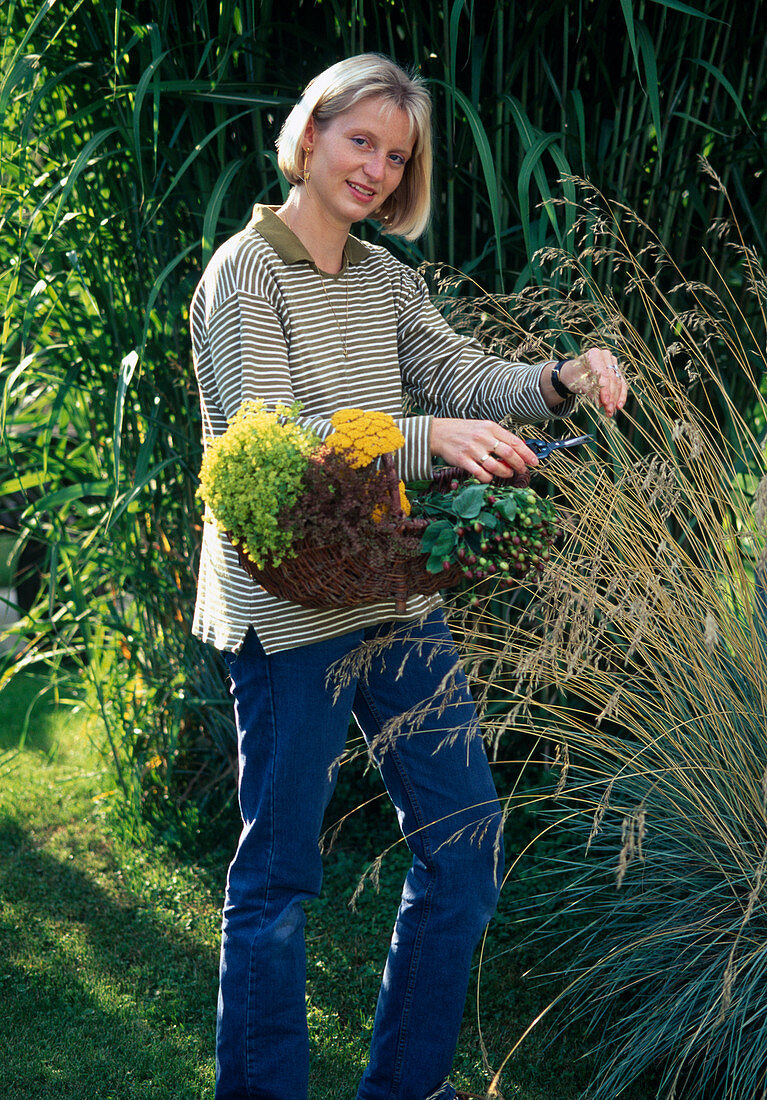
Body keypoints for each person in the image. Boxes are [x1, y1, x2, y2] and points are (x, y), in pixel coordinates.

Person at [190, 53, 627, 1100]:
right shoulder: (243, 274)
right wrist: (429, 440)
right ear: (309, 133)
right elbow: (275, 434)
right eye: (360, 140)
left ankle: (404, 1086)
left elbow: (458, 375)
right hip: (286, 611)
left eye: (396, 154)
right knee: (280, 880)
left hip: (393, 594)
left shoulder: (388, 279)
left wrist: (554, 381)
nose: (377, 167)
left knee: (464, 853)